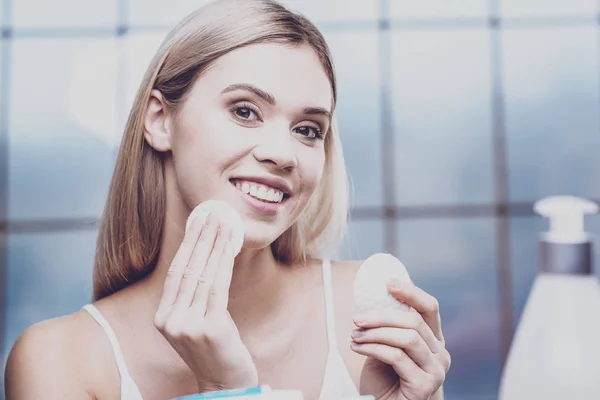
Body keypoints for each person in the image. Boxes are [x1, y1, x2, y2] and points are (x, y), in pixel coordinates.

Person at [4, 1, 450, 399]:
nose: (283, 153)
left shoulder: (368, 316)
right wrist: (226, 391)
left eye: (308, 129)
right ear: (160, 120)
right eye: (244, 111)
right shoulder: (59, 362)